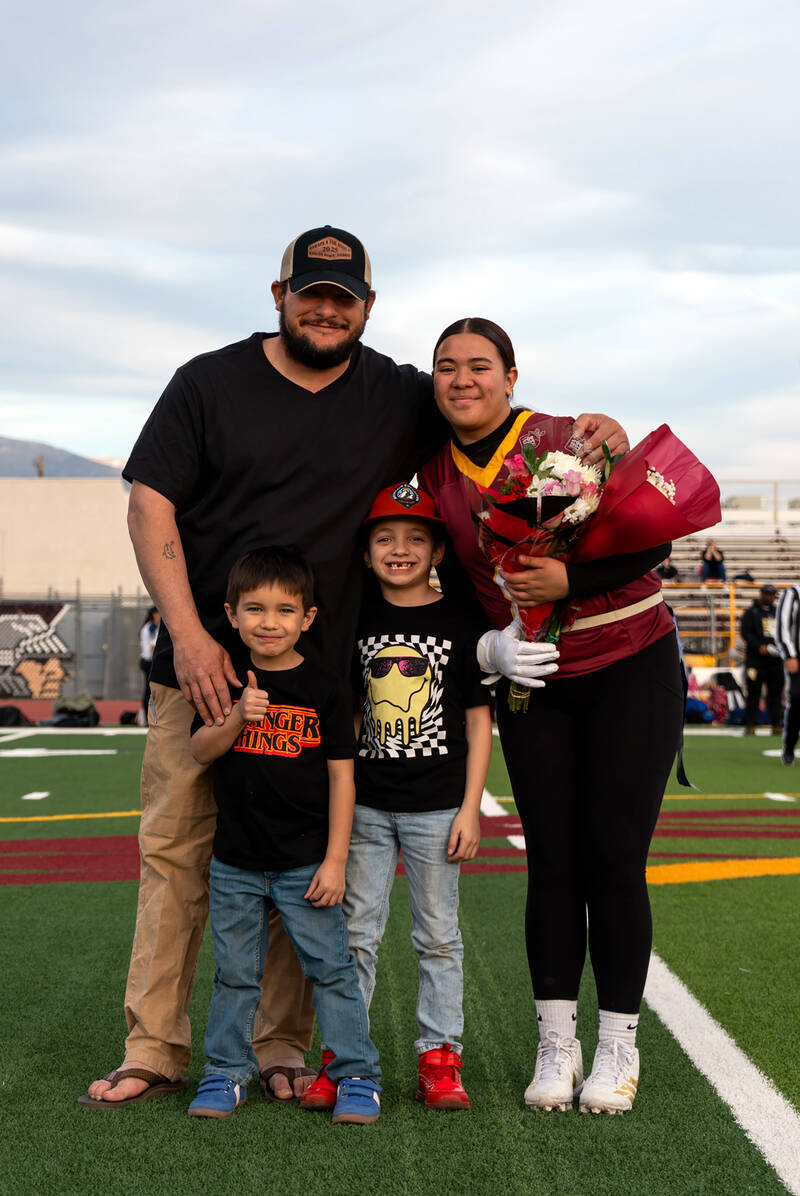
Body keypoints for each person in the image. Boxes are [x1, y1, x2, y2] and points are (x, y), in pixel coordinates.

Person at [79, 223, 627, 1108]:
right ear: (278, 296)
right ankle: (156, 1047)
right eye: (312, 294)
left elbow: (485, 409)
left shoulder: (396, 392)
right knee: (178, 855)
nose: (327, 311)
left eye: (345, 299)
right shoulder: (207, 382)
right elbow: (151, 503)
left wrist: (589, 430)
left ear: (368, 308)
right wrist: (187, 634)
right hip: (207, 668)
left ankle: (283, 1046)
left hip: (321, 683)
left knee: (303, 867)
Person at [419, 317, 684, 1115]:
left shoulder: (567, 437)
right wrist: (487, 648)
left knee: (613, 858)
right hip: (532, 673)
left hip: (629, 660)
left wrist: (572, 585)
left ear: (511, 376)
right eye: (446, 367)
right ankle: (556, 1044)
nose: (462, 379)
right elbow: (455, 593)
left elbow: (650, 535)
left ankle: (618, 1048)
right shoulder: (431, 472)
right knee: (554, 863)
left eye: (479, 366)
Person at [301, 483, 492, 1113]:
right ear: (364, 552)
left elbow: (475, 718)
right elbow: (351, 715)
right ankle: (344, 1058)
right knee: (355, 934)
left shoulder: (459, 620)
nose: (399, 549)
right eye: (384, 537)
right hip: (368, 806)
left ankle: (440, 1058)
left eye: (415, 538)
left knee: (438, 937)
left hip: (439, 806)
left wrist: (471, 806)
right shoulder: (357, 618)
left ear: (438, 548)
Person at [187, 546, 381, 1124]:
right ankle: (225, 1072)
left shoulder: (324, 687)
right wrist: (234, 717)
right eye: (255, 609)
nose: (269, 622)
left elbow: (343, 777)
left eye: (283, 610)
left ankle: (357, 1075)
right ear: (231, 614)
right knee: (235, 975)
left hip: (305, 862)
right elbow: (199, 750)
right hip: (236, 864)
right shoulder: (223, 683)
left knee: (332, 970)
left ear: (307, 619)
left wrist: (336, 859)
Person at [740, 584, 783, 735]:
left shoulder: (778, 612)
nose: (770, 597)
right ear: (761, 594)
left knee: (775, 694)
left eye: (772, 594)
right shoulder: (751, 613)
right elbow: (745, 633)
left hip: (775, 661)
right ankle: (751, 724)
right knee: (753, 693)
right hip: (755, 660)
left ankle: (777, 724)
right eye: (767, 594)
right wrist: (759, 646)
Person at [776, 582, 800, 765]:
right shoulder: (793, 593)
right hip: (798, 659)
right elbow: (782, 627)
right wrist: (789, 654)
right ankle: (790, 747)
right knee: (798, 702)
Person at [138, 605, 160, 717]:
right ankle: (147, 714)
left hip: (149, 661)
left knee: (151, 689)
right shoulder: (151, 628)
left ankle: (149, 714)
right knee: (149, 689)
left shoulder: (152, 627)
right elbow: (153, 648)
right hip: (148, 662)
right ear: (154, 615)